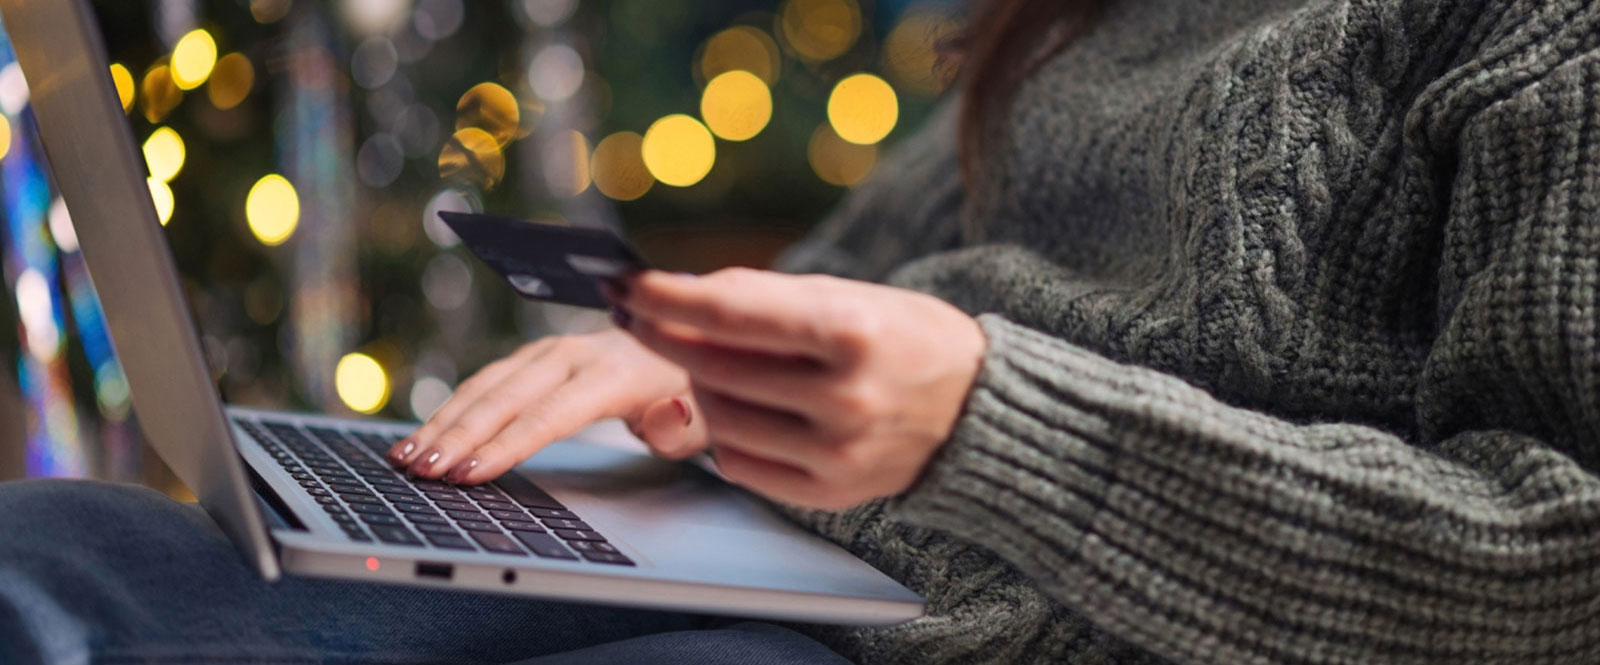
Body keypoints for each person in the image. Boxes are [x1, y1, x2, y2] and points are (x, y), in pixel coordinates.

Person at [6, 0, 1600, 662]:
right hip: (784, 551)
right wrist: (688, 348)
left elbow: (1558, 561)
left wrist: (992, 422)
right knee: (60, 554)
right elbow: (863, 272)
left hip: (953, 627)